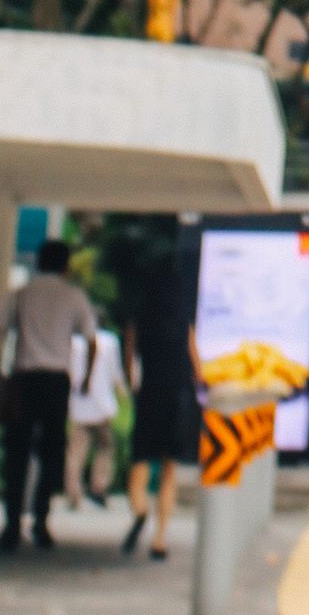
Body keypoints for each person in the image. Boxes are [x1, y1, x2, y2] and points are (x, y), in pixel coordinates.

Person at [0, 230, 98, 551]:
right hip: (56, 380)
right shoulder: (74, 297)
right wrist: (85, 379)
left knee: (17, 450)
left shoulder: (22, 293)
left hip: (24, 377)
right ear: (66, 265)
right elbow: (91, 339)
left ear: (39, 261)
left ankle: (12, 523)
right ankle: (41, 520)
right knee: (52, 452)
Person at [119, 231, 201, 562]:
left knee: (140, 462)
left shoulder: (138, 320)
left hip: (150, 392)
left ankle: (139, 507)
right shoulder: (183, 322)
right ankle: (160, 538)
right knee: (169, 469)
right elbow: (198, 366)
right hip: (178, 395)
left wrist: (132, 385)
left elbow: (129, 361)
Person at [65, 298, 126, 510]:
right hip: (102, 403)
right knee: (106, 447)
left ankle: (73, 492)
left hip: (79, 402)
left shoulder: (75, 342)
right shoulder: (110, 342)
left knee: (76, 451)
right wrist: (122, 390)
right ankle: (98, 485)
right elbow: (116, 371)